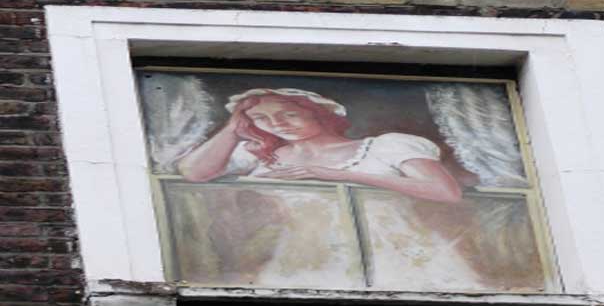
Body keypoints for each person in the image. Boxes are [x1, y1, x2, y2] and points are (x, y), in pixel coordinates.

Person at [178, 88, 463, 203]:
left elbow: (446, 192)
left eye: (289, 114)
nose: (276, 124)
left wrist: (339, 176)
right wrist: (231, 130)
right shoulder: (257, 154)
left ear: (321, 114)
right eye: (260, 119)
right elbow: (193, 174)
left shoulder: (387, 146)